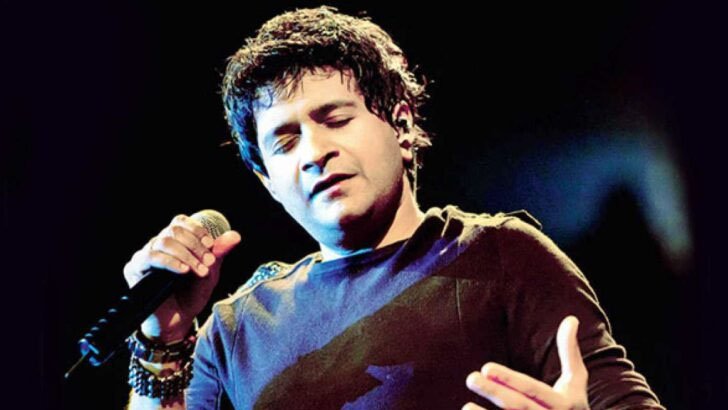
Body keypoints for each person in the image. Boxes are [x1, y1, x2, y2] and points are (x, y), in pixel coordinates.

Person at [123, 6, 664, 410]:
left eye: (335, 119)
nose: (314, 153)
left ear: (401, 126)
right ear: (268, 183)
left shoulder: (502, 257)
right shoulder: (237, 326)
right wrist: (161, 341)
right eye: (284, 143)